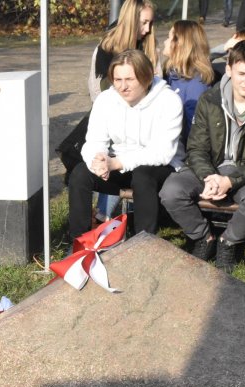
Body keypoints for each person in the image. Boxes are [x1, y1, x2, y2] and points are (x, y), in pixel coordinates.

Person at [160, 40, 245, 272]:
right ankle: (202, 237)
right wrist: (209, 176)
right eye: (242, 73)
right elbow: (196, 148)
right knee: (171, 191)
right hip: (210, 168)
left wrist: (230, 181)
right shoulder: (210, 99)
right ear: (228, 69)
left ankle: (228, 241)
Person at [68, 49, 183, 242]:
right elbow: (94, 140)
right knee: (80, 173)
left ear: (146, 77)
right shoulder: (106, 99)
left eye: (130, 79)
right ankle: (80, 244)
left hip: (161, 167)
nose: (123, 87)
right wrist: (98, 160)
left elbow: (162, 152)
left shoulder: (168, 100)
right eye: (118, 80)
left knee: (143, 176)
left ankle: (143, 245)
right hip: (119, 164)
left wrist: (116, 163)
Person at [87, 0, 160, 223]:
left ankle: (132, 216)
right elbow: (96, 85)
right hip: (114, 118)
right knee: (110, 157)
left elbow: (157, 83)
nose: (147, 29)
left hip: (145, 120)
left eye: (150, 23)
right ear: (130, 19)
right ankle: (103, 217)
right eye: (143, 22)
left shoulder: (148, 46)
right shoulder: (107, 47)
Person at [162, 20, 214, 153]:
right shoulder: (172, 75)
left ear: (180, 44)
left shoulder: (195, 86)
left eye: (169, 38)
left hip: (181, 153)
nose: (165, 42)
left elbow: (193, 132)